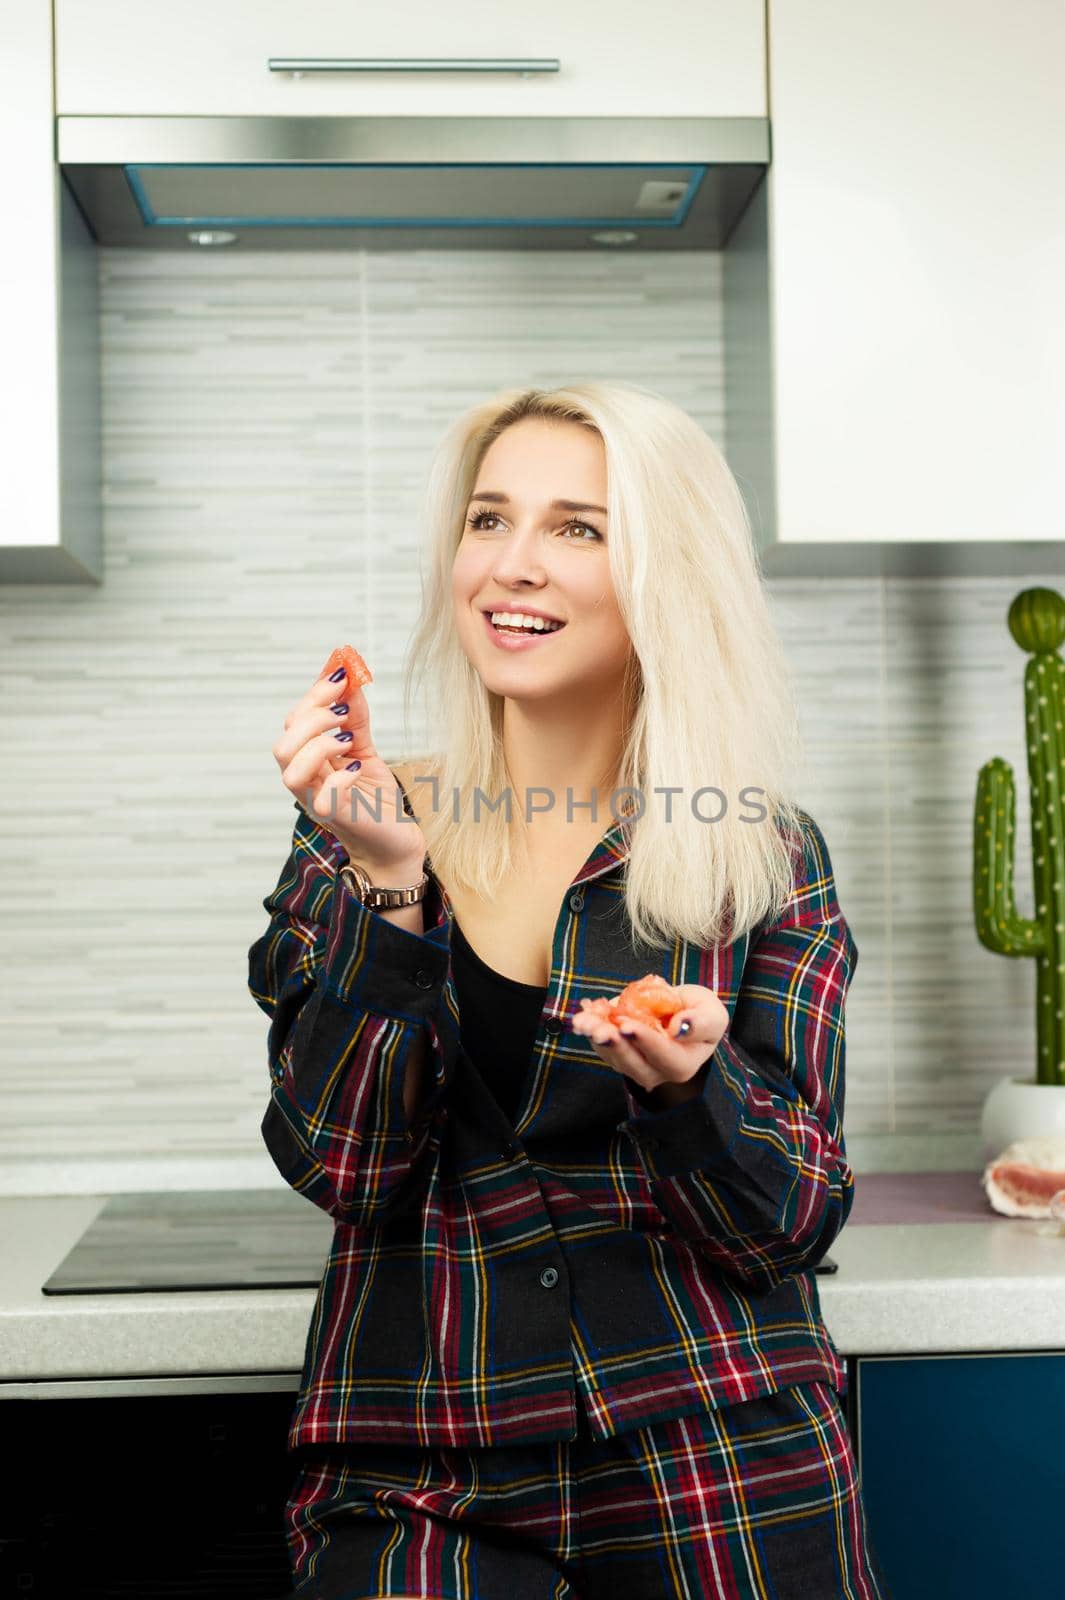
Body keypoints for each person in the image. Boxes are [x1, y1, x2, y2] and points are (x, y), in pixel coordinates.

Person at [248, 381, 893, 1599]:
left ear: (666, 577)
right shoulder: (359, 828)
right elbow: (343, 1162)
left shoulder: (757, 848)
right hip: (417, 1455)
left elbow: (796, 1215)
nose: (514, 565)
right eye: (488, 520)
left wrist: (698, 1089)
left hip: (716, 1437)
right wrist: (395, 891)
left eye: (578, 528)